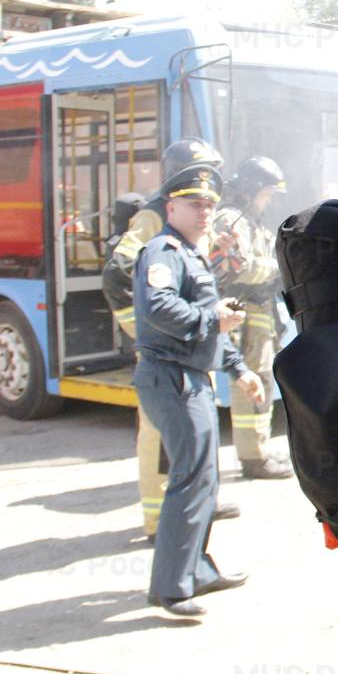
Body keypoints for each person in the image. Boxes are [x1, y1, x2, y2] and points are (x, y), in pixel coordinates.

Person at [133, 164, 265, 617]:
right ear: (171, 208)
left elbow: (209, 319)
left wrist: (238, 368)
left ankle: (198, 570)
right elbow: (158, 307)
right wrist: (214, 321)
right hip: (170, 378)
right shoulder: (163, 251)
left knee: (204, 479)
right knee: (190, 480)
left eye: (210, 204)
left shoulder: (190, 255)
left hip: (191, 379)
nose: (205, 211)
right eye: (195, 204)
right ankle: (171, 587)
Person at [103, 138, 242, 539]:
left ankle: (198, 504)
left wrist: (216, 253)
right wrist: (142, 327)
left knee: (195, 428)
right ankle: (156, 519)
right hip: (168, 345)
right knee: (158, 430)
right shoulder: (153, 216)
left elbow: (187, 277)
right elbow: (119, 271)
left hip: (192, 338)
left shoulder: (190, 214)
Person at [211, 156, 293, 480]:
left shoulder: (252, 221)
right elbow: (238, 265)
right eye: (267, 191)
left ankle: (256, 451)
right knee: (252, 381)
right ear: (252, 188)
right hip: (244, 311)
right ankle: (254, 457)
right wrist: (279, 268)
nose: (269, 198)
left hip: (258, 312)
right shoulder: (231, 221)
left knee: (260, 378)